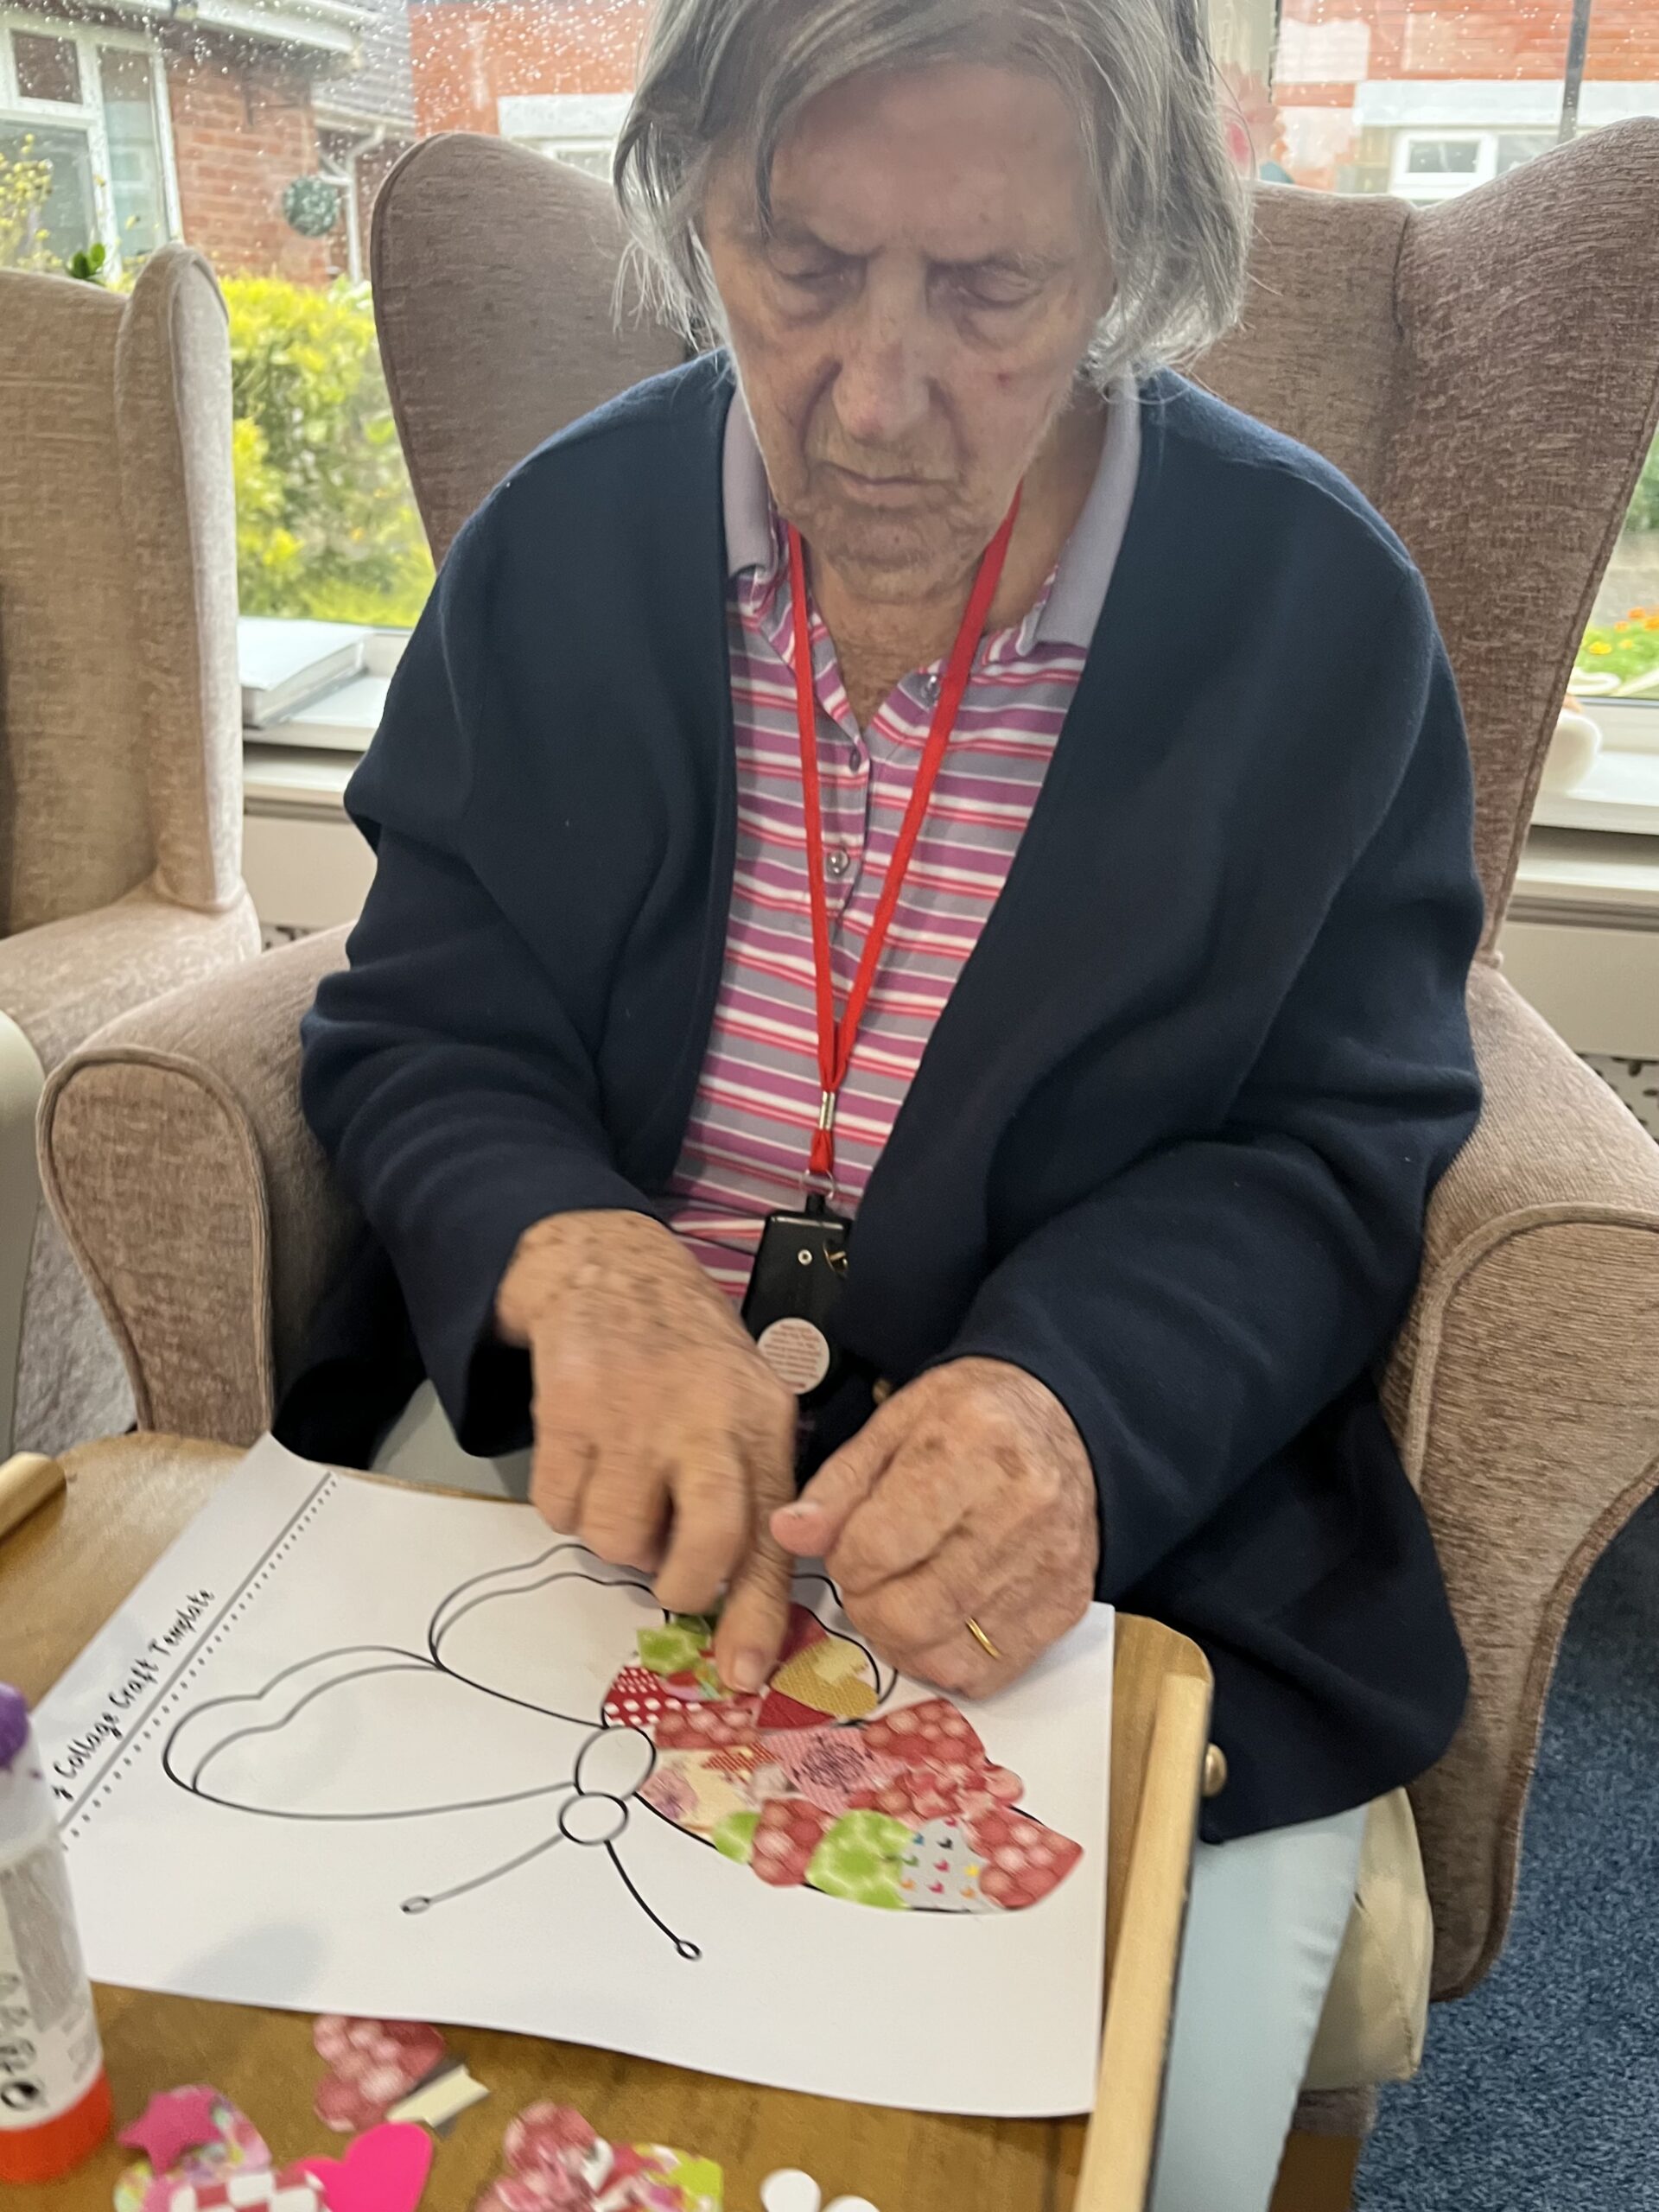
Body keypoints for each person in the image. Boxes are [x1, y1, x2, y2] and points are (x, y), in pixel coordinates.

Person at [284, 0, 1484, 2202]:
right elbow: (425, 1019)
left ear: (1127, 253)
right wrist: (579, 1254)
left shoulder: (1319, 616)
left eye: (991, 290)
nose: (876, 393)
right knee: (349, 2061)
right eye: (803, 267)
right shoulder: (560, 548)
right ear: (699, 211)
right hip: (596, 1472)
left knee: (1100, 2138)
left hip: (1114, 1501)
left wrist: (1069, 1404)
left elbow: (1335, 1144)